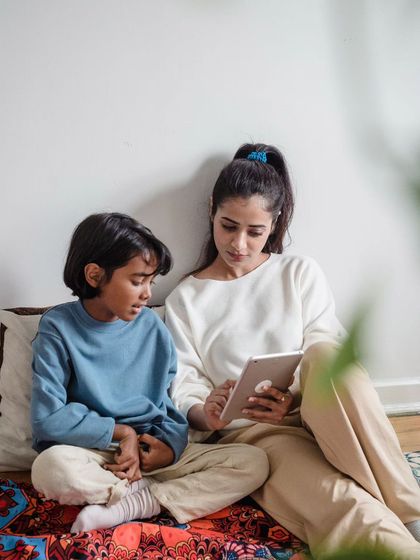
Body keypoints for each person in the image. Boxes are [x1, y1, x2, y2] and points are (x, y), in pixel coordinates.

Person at [165, 144, 420, 559]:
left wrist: (294, 393)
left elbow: (331, 352)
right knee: (346, 506)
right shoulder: (186, 299)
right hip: (258, 435)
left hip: (326, 410)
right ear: (211, 208)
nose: (239, 245)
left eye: (255, 231)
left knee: (324, 356)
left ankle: (411, 515)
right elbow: (184, 384)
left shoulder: (298, 272)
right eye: (228, 226)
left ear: (274, 223)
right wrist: (206, 411)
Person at [30, 212, 269, 533]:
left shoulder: (154, 328)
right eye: (137, 280)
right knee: (50, 468)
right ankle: (140, 495)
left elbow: (167, 410)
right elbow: (47, 419)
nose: (147, 293)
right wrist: (121, 434)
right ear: (94, 275)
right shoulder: (58, 328)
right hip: (94, 453)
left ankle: (135, 502)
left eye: (150, 282)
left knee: (253, 462)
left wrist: (168, 448)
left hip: (150, 451)